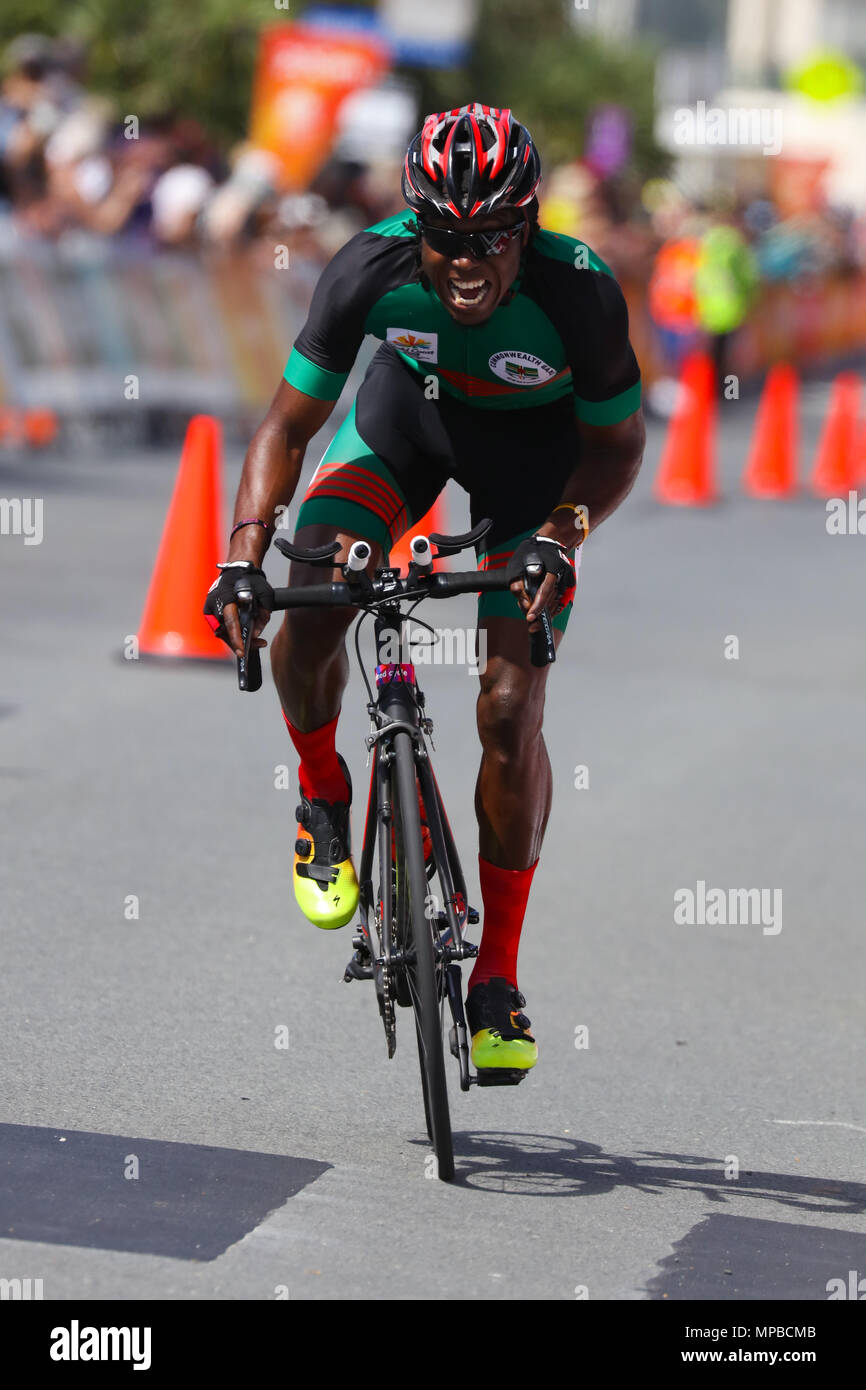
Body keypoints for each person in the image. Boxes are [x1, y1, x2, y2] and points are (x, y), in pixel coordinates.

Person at [204, 105, 645, 1076]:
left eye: (488, 236)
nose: (465, 260)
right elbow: (285, 427)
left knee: (505, 708)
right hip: (404, 431)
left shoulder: (577, 292)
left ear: (523, 224)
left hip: (537, 473)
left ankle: (496, 975)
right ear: (417, 227)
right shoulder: (368, 267)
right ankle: (323, 796)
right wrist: (243, 555)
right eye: (444, 236)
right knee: (310, 587)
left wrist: (560, 540)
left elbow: (617, 446)